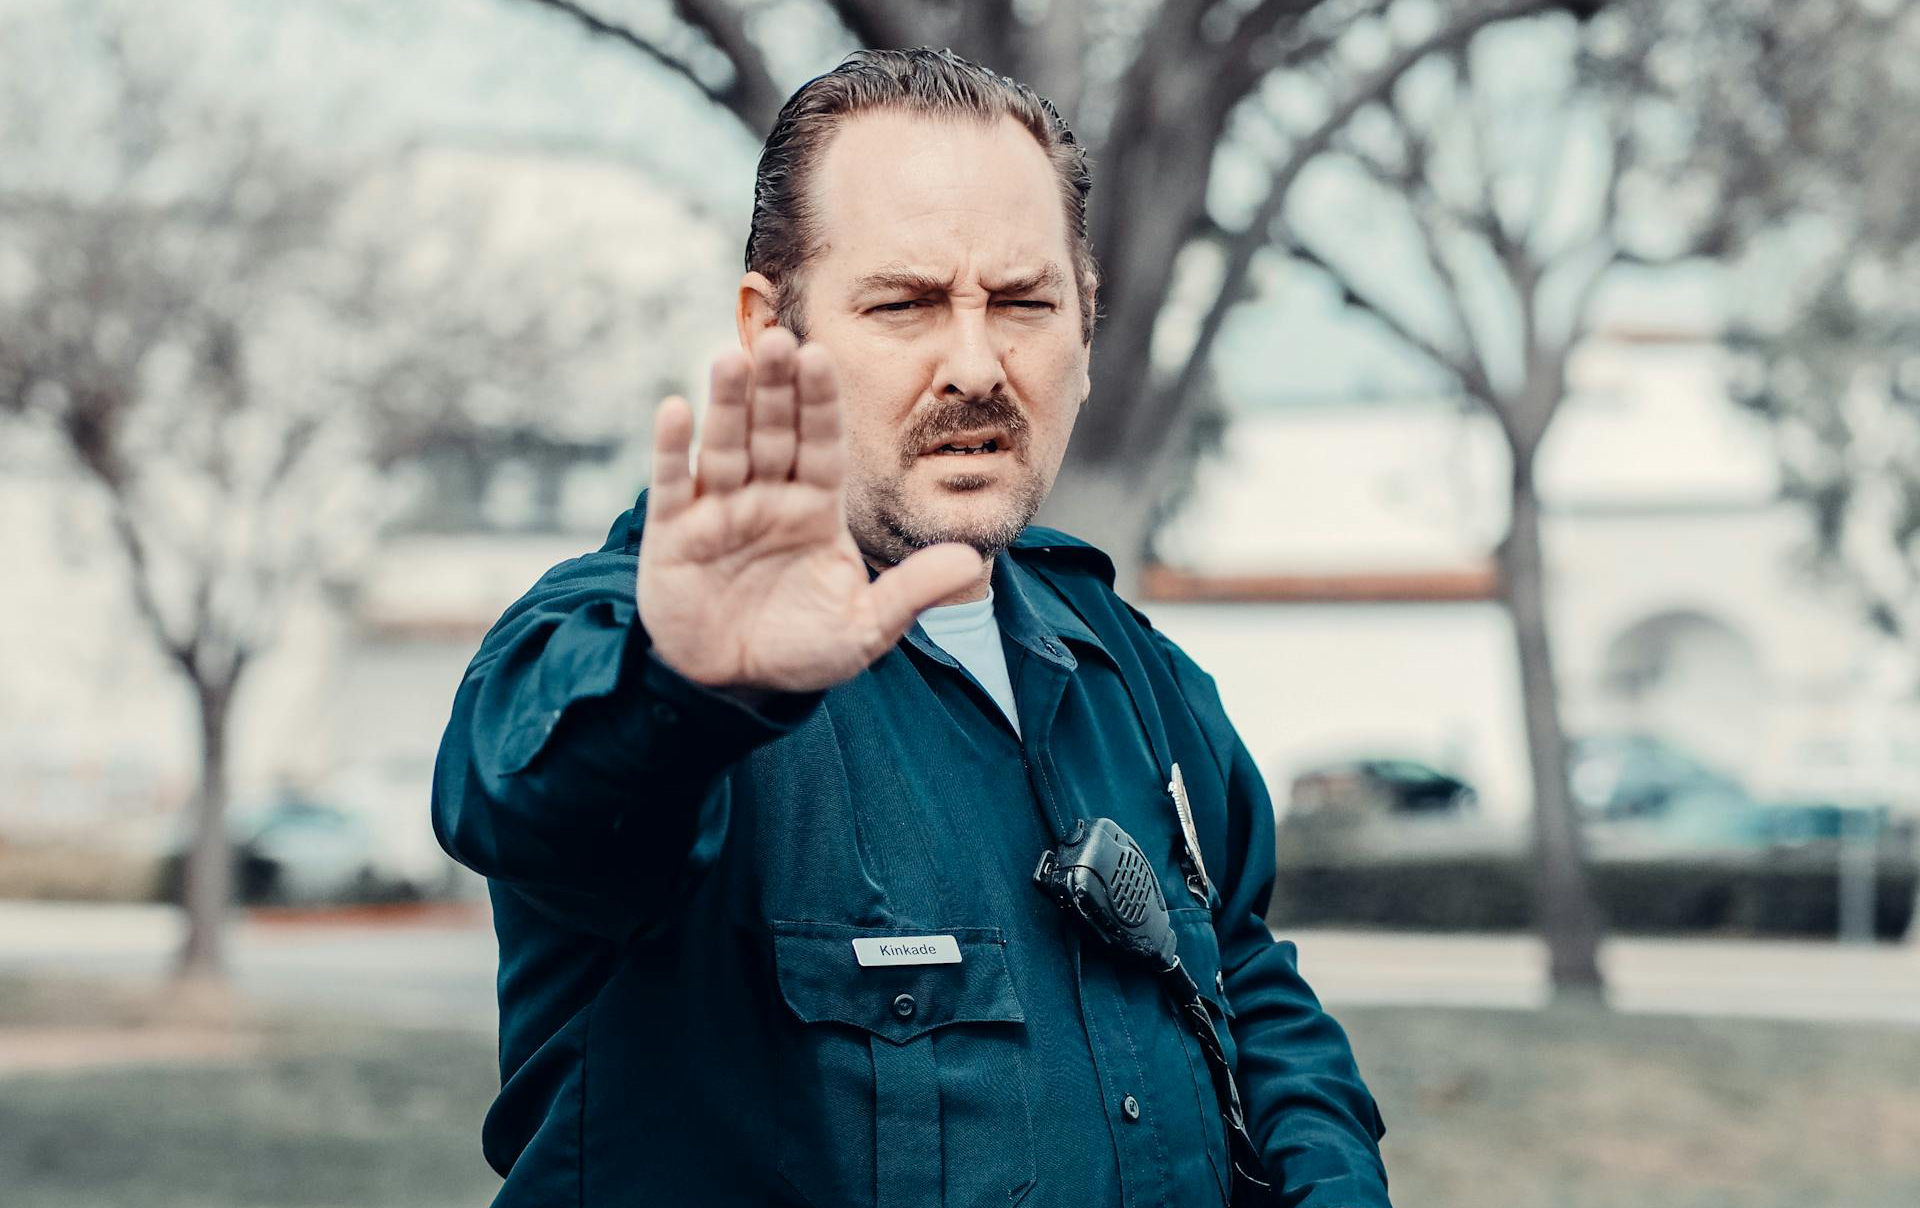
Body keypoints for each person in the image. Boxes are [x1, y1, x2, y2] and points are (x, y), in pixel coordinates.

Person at [432, 47, 1390, 1208]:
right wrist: (689, 691)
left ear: (1087, 323)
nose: (976, 365)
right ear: (772, 331)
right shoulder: (649, 634)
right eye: (906, 303)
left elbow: (1246, 981)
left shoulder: (1137, 678)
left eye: (1024, 303)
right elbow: (530, 796)